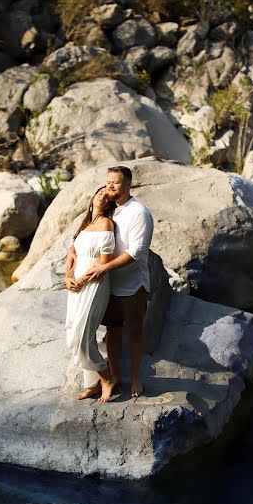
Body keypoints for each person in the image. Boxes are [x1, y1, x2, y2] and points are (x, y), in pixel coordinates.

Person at [84, 166, 154, 399]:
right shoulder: (109, 211)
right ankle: (113, 376)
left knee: (134, 331)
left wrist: (104, 267)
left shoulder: (139, 212)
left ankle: (135, 377)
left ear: (128, 185)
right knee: (112, 330)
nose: (110, 186)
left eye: (115, 182)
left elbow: (136, 251)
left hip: (133, 284)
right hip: (109, 284)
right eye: (107, 182)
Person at [64, 187, 119, 402]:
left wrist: (80, 280)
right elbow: (74, 256)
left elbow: (103, 263)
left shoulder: (106, 224)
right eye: (100, 192)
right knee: (74, 333)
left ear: (109, 203)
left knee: (81, 338)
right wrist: (68, 276)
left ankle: (107, 378)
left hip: (94, 283)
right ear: (92, 197)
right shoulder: (86, 225)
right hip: (76, 282)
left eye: (107, 195)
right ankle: (93, 383)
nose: (103, 195)